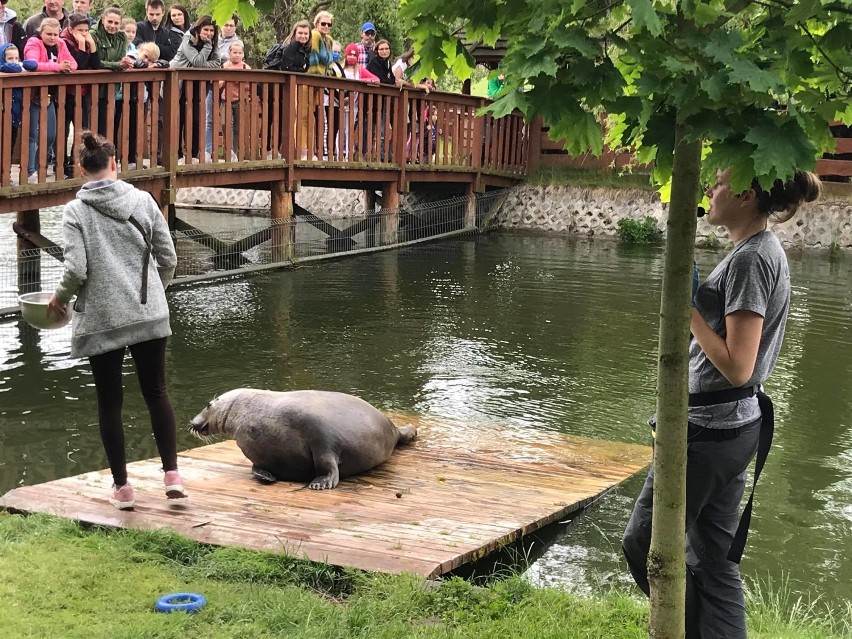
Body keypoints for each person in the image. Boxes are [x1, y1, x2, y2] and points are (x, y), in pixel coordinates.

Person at [621, 168, 822, 639]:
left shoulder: (752, 260)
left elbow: (738, 366)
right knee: (714, 559)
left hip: (711, 431)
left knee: (642, 543)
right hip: (730, 428)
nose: (709, 189)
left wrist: (686, 308)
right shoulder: (757, 250)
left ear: (748, 194)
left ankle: (678, 627)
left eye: (719, 182)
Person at [47, 130, 184, 511]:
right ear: (115, 164)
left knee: (110, 402)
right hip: (148, 310)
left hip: (102, 317)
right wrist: (156, 292)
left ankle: (123, 489)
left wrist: (59, 299)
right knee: (156, 390)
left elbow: (75, 268)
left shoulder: (76, 211)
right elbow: (168, 257)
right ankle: (172, 475)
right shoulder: (142, 200)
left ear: (81, 169)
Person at [24, 17, 77, 183]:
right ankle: (29, 171)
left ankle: (42, 166)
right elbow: (31, 64)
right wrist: (58, 67)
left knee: (51, 135)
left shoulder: (60, 44)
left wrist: (64, 66)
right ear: (41, 32)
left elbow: (73, 64)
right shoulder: (34, 43)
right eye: (49, 34)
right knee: (32, 135)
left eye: (55, 34)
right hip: (32, 95)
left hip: (49, 96)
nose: (52, 37)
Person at [169, 14, 219, 163]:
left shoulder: (213, 41)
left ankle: (194, 153)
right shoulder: (188, 38)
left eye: (211, 31)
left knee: (196, 118)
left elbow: (217, 63)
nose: (209, 34)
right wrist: (207, 47)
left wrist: (204, 63)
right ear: (199, 29)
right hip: (179, 82)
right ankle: (177, 154)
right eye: (206, 30)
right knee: (179, 118)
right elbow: (196, 61)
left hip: (198, 83)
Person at [60, 12, 100, 178]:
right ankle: (61, 164)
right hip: (66, 92)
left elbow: (95, 65)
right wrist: (83, 45)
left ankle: (74, 162)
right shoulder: (64, 41)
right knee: (62, 129)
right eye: (80, 30)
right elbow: (80, 67)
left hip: (82, 92)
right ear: (70, 29)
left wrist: (92, 45)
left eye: (86, 30)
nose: (84, 33)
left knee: (81, 128)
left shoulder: (86, 40)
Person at [0, 42, 37, 176]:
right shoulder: (3, 68)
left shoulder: (18, 67)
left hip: (14, 114)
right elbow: (10, 67)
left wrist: (23, 63)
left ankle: (6, 174)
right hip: (4, 112)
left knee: (10, 144)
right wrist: (19, 66)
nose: (14, 62)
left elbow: (32, 65)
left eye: (17, 58)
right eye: (10, 58)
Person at [218, 41, 248, 162]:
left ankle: (235, 152)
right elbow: (218, 84)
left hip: (240, 100)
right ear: (229, 53)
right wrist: (227, 79)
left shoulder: (246, 67)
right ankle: (228, 151)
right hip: (227, 100)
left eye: (239, 53)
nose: (237, 55)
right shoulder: (224, 66)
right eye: (234, 52)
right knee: (226, 124)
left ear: (243, 54)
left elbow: (250, 85)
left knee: (238, 127)